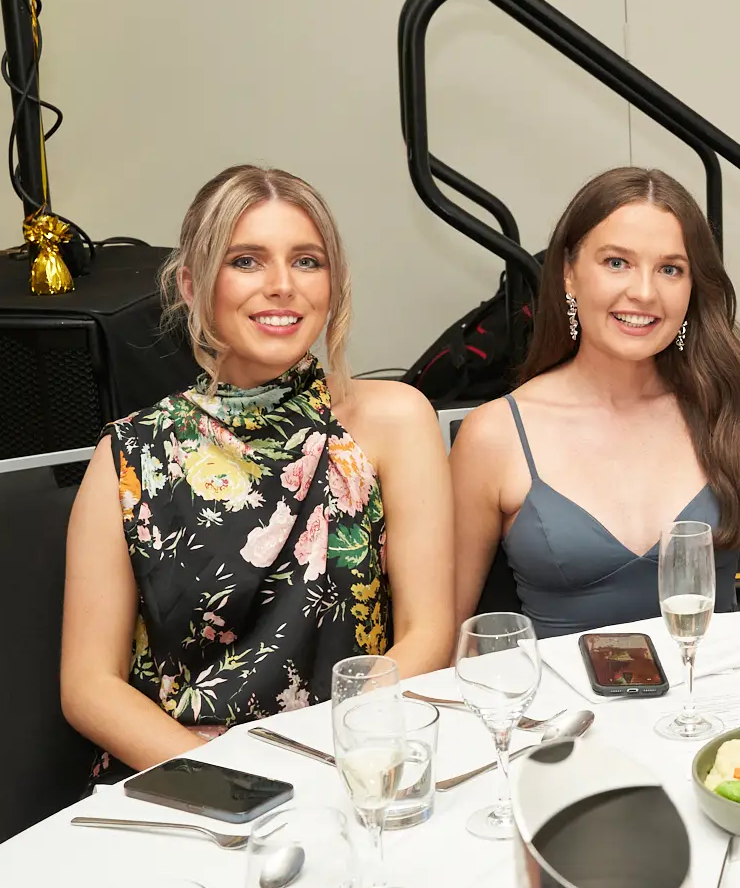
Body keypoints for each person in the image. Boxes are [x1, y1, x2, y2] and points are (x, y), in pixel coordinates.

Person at [61, 166, 455, 777]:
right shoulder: (128, 454)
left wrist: (337, 758)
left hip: (353, 762)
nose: (282, 286)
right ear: (192, 287)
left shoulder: (396, 421)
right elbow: (88, 686)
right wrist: (235, 786)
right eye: (246, 261)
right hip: (190, 779)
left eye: (307, 261)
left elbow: (427, 633)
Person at [450, 167, 740, 638]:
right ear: (569, 274)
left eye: (670, 269)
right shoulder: (495, 434)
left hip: (716, 705)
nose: (644, 292)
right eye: (616, 263)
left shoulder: (738, 405)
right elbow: (450, 638)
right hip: (568, 710)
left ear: (692, 288)